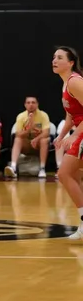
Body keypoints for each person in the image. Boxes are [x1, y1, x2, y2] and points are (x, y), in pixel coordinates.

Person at [52, 46, 83, 240]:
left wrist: (74, 136)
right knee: (74, 175)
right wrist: (62, 134)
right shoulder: (65, 84)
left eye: (60, 57)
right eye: (54, 57)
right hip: (79, 129)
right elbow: (70, 115)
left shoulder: (74, 82)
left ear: (70, 62)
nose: (54, 60)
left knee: (64, 173)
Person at [4, 96, 50, 179]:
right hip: (26, 145)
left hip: (37, 145)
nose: (31, 105)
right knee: (18, 139)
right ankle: (13, 167)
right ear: (25, 105)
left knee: (44, 140)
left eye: (33, 102)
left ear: (37, 104)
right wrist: (29, 129)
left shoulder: (43, 115)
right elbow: (18, 134)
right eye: (28, 103)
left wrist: (36, 139)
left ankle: (42, 168)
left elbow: (46, 133)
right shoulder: (21, 116)